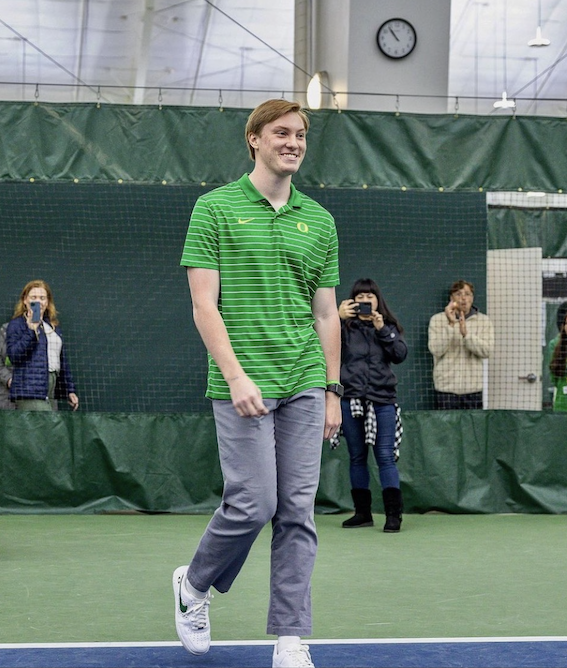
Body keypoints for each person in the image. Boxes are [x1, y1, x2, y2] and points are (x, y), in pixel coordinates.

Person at [174, 99, 341, 668]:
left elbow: (325, 314)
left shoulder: (319, 221)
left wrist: (332, 390)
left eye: (300, 134)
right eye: (281, 133)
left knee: (297, 511)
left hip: (304, 382)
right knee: (252, 504)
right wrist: (235, 373)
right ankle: (193, 586)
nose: (293, 142)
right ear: (254, 139)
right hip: (241, 385)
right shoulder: (214, 209)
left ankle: (291, 638)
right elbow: (204, 304)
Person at [336, 278, 408, 533]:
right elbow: (323, 344)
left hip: (382, 400)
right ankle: (363, 513)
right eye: (360, 296)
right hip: (351, 399)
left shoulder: (388, 327)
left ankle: (393, 516)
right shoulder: (343, 327)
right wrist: (336, 318)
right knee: (357, 457)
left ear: (378, 300)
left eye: (370, 296)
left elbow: (400, 354)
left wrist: (382, 329)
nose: (365, 300)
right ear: (352, 301)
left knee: (385, 457)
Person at [5, 280, 79, 412]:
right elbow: (14, 355)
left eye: (42, 298)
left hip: (50, 388)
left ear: (47, 302)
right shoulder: (17, 325)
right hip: (30, 389)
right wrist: (31, 330)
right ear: (25, 301)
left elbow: (62, 360)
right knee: (44, 427)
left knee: (48, 430)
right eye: (33, 297)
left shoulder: (53, 327)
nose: (38, 301)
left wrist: (69, 390)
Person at [428, 279, 494, 410]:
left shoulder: (484, 321)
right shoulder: (437, 320)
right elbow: (435, 349)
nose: (463, 298)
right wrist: (451, 325)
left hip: (473, 390)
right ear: (451, 298)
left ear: (472, 298)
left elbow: (487, 351)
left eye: (467, 294)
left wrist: (466, 336)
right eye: (458, 294)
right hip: (446, 390)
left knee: (472, 429)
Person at [0, 322, 15, 409]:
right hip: (6, 394)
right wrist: (8, 379)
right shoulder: (5, 330)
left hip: (35, 392)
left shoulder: (49, 329)